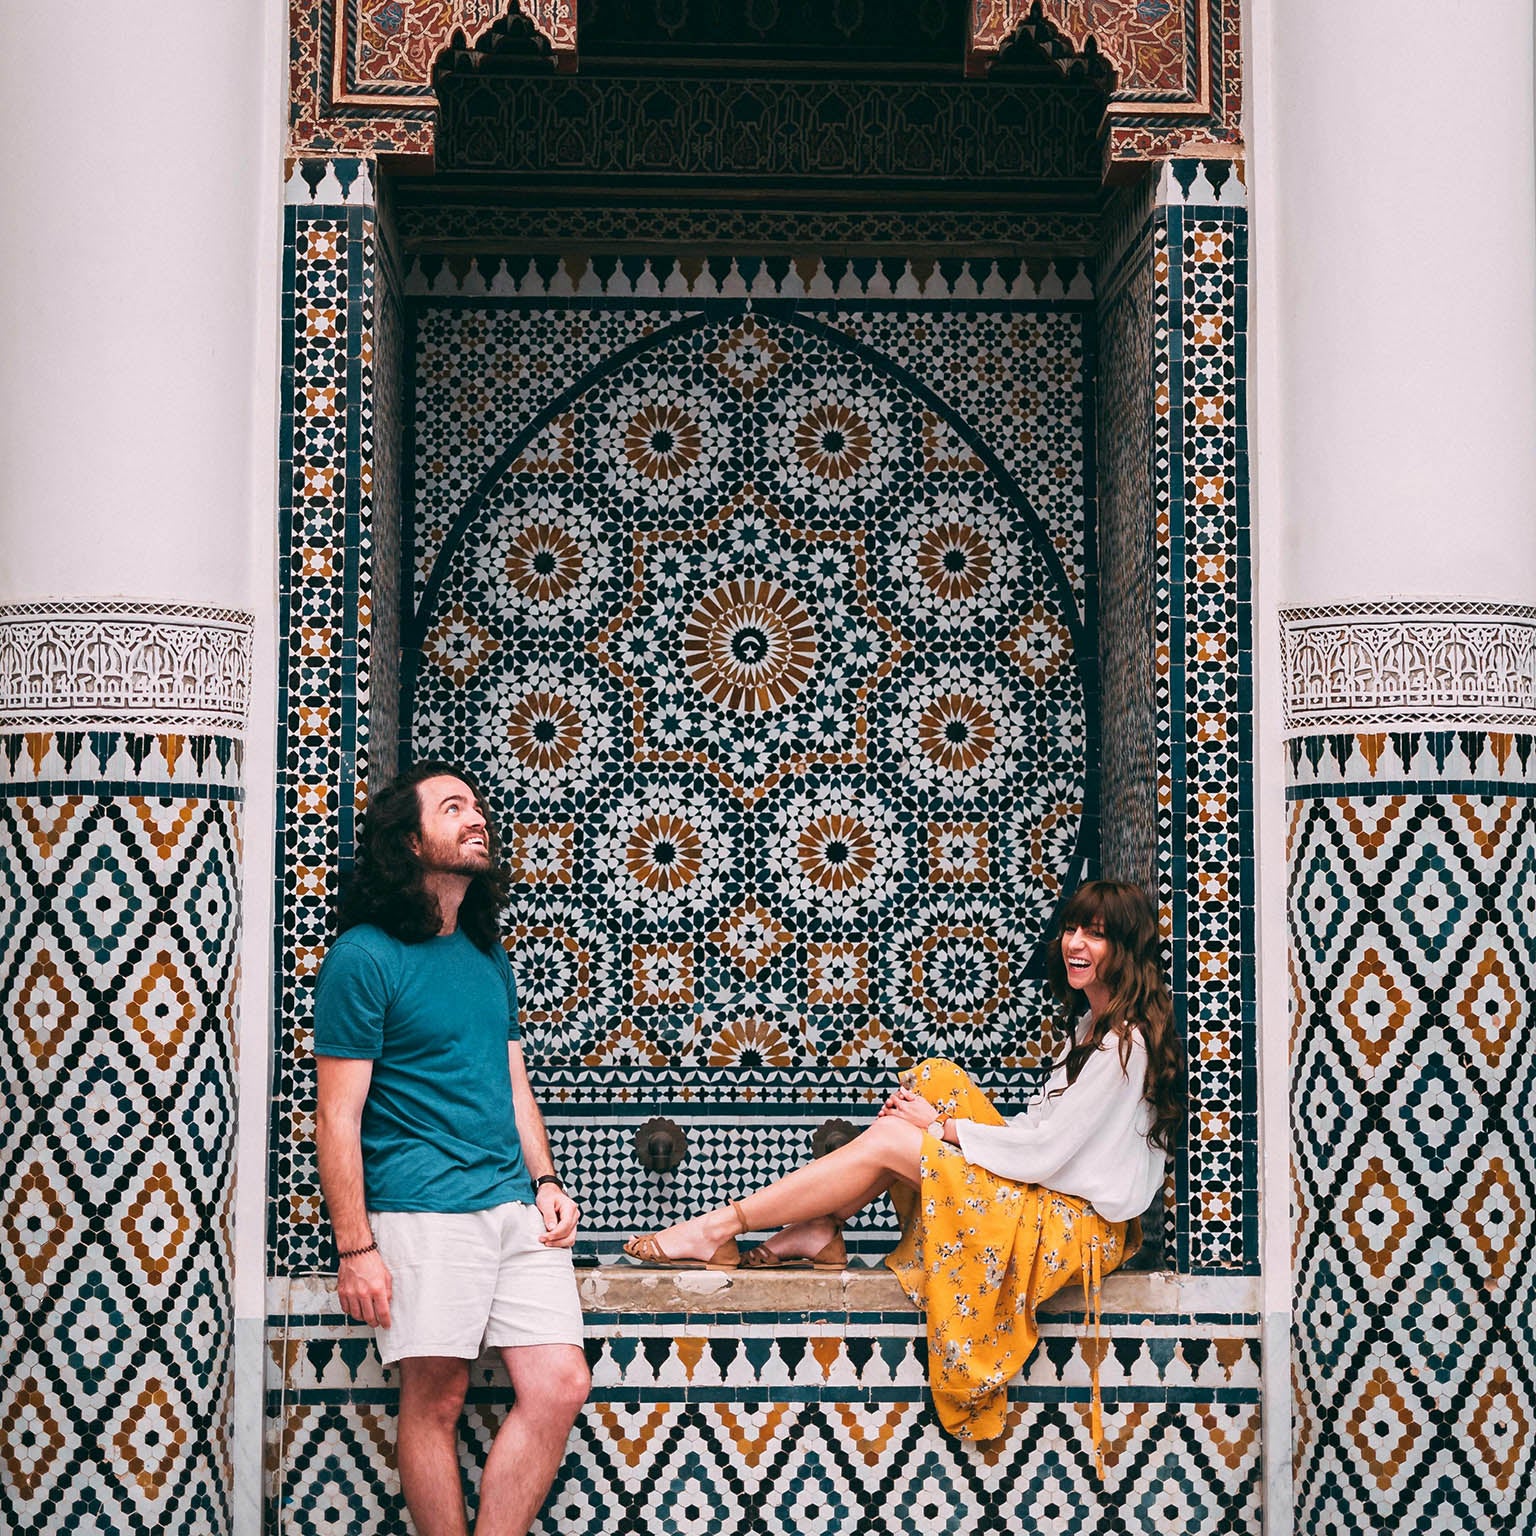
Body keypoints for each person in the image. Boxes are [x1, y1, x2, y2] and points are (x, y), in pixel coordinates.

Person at [624, 880, 1184, 1465]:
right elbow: (1037, 1132)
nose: (1076, 943)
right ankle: (819, 1229)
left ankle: (717, 1229)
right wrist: (937, 1116)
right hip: (1049, 1200)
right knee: (934, 1077)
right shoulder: (1090, 1031)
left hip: (1075, 1229)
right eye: (1074, 928)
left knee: (900, 1135)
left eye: (1097, 934)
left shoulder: (1128, 1045)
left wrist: (938, 1130)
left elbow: (1047, 1152)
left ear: (1125, 949)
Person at [314, 761, 590, 1536]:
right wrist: (355, 1247)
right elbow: (337, 1117)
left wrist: (545, 1179)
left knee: (561, 1383)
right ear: (409, 841)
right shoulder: (363, 958)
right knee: (436, 1400)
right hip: (423, 1207)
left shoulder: (483, 954)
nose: (477, 819)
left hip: (513, 1205)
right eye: (452, 807)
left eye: (477, 807)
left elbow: (513, 1086)